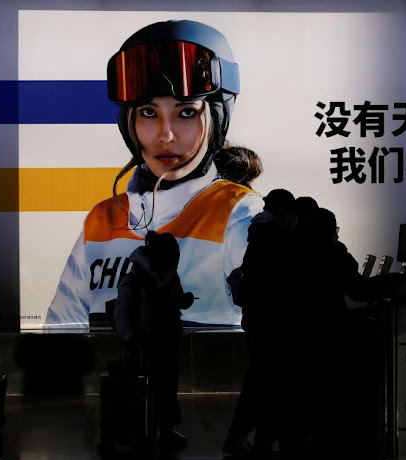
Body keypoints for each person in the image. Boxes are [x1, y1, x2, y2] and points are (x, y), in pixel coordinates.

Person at [45, 19, 264, 329]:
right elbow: (57, 341)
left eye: (186, 111)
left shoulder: (241, 215)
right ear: (129, 122)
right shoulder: (102, 221)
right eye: (149, 112)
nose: (166, 135)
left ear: (219, 117)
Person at [223, 188, 298, 457]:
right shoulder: (273, 238)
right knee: (260, 383)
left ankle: (259, 439)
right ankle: (242, 437)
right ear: (284, 212)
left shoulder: (260, 234)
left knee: (262, 382)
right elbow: (277, 284)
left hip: (258, 320)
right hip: (269, 322)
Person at [112, 231, 195, 451]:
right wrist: (131, 338)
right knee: (151, 389)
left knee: (164, 388)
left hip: (160, 341)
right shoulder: (138, 280)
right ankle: (146, 432)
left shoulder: (161, 276)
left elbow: (123, 313)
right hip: (146, 344)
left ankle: (159, 431)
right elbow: (124, 314)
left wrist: (183, 302)